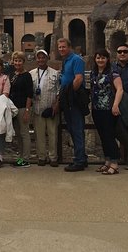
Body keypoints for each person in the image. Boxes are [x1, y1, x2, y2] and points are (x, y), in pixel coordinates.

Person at [90, 49, 123, 175]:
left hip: (109, 109)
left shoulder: (112, 72)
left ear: (107, 59)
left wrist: (115, 105)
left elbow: (120, 89)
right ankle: (107, 161)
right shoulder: (94, 72)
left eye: (103, 58)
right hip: (97, 109)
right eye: (98, 57)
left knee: (109, 135)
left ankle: (115, 163)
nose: (100, 60)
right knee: (102, 136)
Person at [57, 37, 88, 172]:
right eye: (60, 47)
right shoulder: (66, 61)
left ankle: (79, 161)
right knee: (72, 128)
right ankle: (82, 157)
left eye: (64, 47)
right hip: (68, 99)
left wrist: (68, 95)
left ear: (69, 47)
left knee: (76, 129)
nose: (61, 49)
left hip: (74, 99)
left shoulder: (76, 60)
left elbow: (79, 79)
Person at [29, 49, 61, 167]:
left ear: (47, 59)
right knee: (39, 134)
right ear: (36, 59)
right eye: (39, 57)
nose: (41, 60)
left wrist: (56, 104)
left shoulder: (55, 73)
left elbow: (59, 90)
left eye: (43, 57)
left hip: (51, 108)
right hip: (37, 108)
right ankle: (41, 156)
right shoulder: (31, 73)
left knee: (53, 134)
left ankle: (53, 157)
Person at [8, 51, 34, 168]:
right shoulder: (12, 75)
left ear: (23, 62)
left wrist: (27, 111)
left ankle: (26, 158)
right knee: (18, 134)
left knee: (24, 133)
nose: (17, 63)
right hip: (13, 108)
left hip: (23, 107)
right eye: (15, 60)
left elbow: (30, 94)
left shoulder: (27, 75)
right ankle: (21, 157)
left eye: (19, 61)